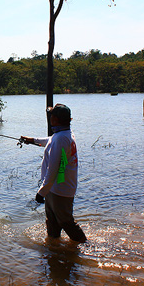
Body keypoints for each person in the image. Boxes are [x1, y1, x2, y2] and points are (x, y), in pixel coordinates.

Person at [21, 103, 87, 243]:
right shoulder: (63, 134)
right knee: (52, 222)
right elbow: (49, 140)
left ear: (55, 119)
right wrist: (31, 140)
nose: (49, 117)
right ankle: (53, 249)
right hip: (55, 188)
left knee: (66, 222)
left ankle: (85, 247)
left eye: (51, 115)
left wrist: (41, 193)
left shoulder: (61, 138)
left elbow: (53, 170)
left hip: (60, 190)